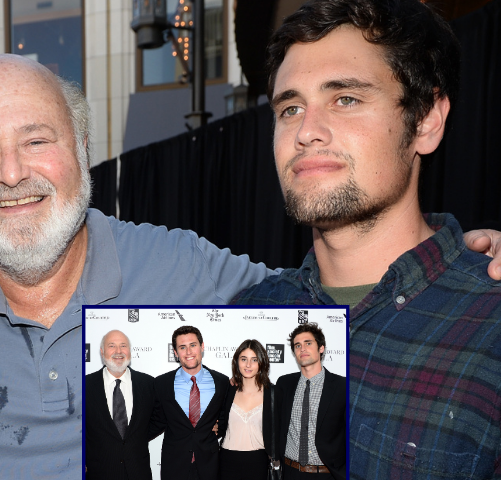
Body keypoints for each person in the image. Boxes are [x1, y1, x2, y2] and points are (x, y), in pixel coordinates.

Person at [0, 52, 501, 478]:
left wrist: (460, 265)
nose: (10, 173)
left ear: (83, 152)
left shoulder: (185, 267)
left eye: (36, 140)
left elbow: (336, 297)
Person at [231, 0, 501, 477]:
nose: (307, 132)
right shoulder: (245, 317)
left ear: (426, 122)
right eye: (290, 108)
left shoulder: (490, 325)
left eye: (346, 99)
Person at [150, 326, 230, 480]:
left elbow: (226, 417)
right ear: (175, 352)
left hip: (210, 464)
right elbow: (156, 421)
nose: (188, 352)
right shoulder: (161, 383)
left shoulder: (222, 382)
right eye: (182, 347)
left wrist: (220, 428)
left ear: (202, 346)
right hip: (174, 465)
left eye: (193, 345)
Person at [276, 324, 345, 480]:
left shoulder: (342, 386)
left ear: (321, 348)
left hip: (327, 474)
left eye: (308, 343)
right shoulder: (284, 384)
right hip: (290, 472)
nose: (302, 349)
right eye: (297, 345)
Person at [85, 329, 156, 480]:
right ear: (102, 351)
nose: (118, 351)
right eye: (112, 346)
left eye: (123, 346)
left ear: (130, 351)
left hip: (138, 472)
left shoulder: (148, 384)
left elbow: (160, 419)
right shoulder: (85, 385)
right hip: (99, 473)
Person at [217, 339, 282, 480]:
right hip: (227, 460)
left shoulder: (273, 393)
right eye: (244, 359)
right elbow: (219, 422)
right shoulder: (227, 390)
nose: (248, 365)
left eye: (254, 360)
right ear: (236, 362)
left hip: (258, 462)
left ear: (262, 362)